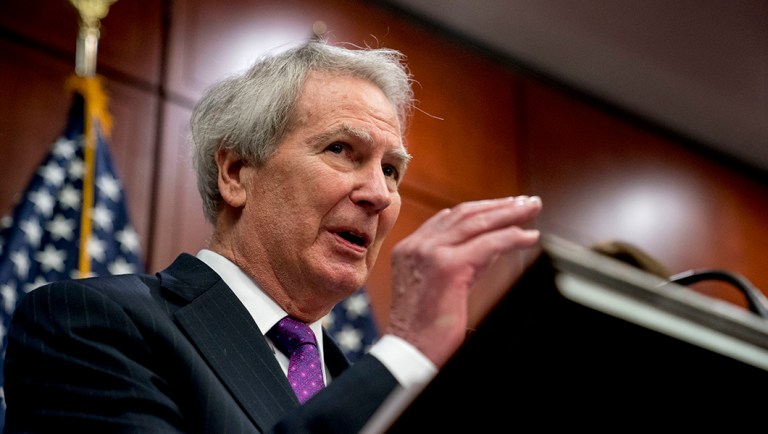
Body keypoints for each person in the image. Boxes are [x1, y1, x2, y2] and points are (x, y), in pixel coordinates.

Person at [3, 40, 543, 433]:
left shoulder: (362, 384)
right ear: (236, 172)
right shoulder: (91, 325)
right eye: (341, 150)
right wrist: (407, 348)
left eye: (392, 170)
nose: (378, 193)